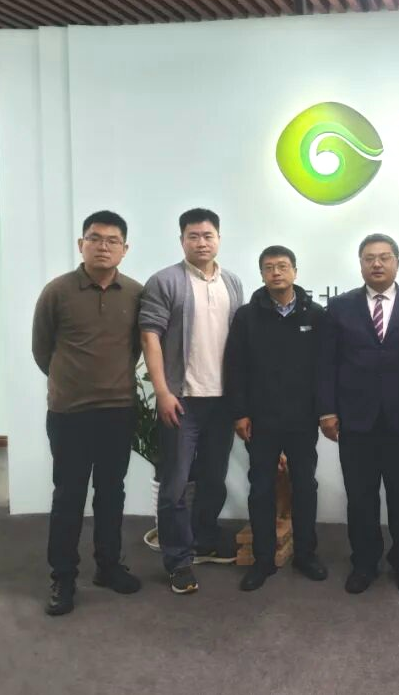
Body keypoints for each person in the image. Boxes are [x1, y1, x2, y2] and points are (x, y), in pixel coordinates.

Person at [32, 210, 143, 616]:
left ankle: (108, 566)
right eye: (95, 239)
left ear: (125, 249)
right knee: (69, 495)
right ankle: (62, 577)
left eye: (112, 241)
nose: (103, 247)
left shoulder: (135, 293)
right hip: (70, 413)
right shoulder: (57, 291)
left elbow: (137, 347)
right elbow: (42, 349)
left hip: (118, 411)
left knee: (112, 493)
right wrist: (71, 382)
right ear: (81, 244)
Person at [318, 234, 399, 595]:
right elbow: (327, 363)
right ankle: (364, 563)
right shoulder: (339, 307)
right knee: (360, 497)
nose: (377, 264)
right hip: (356, 419)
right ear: (361, 264)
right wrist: (327, 410)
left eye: (384, 257)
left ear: (397, 262)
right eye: (369, 258)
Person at [139, 208, 245, 595]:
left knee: (214, 479)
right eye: (193, 236)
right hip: (181, 402)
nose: (201, 242)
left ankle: (204, 540)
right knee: (175, 485)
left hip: (221, 402)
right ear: (181, 240)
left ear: (219, 238)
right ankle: (178, 561)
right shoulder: (165, 281)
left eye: (208, 235)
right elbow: (149, 336)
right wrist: (163, 391)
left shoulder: (232, 282)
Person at [225, 245, 329, 591]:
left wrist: (323, 410)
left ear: (295, 272)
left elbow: (323, 368)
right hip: (261, 419)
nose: (276, 273)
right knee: (261, 488)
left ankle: (306, 554)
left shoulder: (315, 315)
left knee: (305, 486)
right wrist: (239, 412)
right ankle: (263, 559)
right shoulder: (246, 316)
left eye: (282, 266)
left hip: (302, 419)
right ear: (262, 274)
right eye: (269, 267)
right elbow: (235, 367)